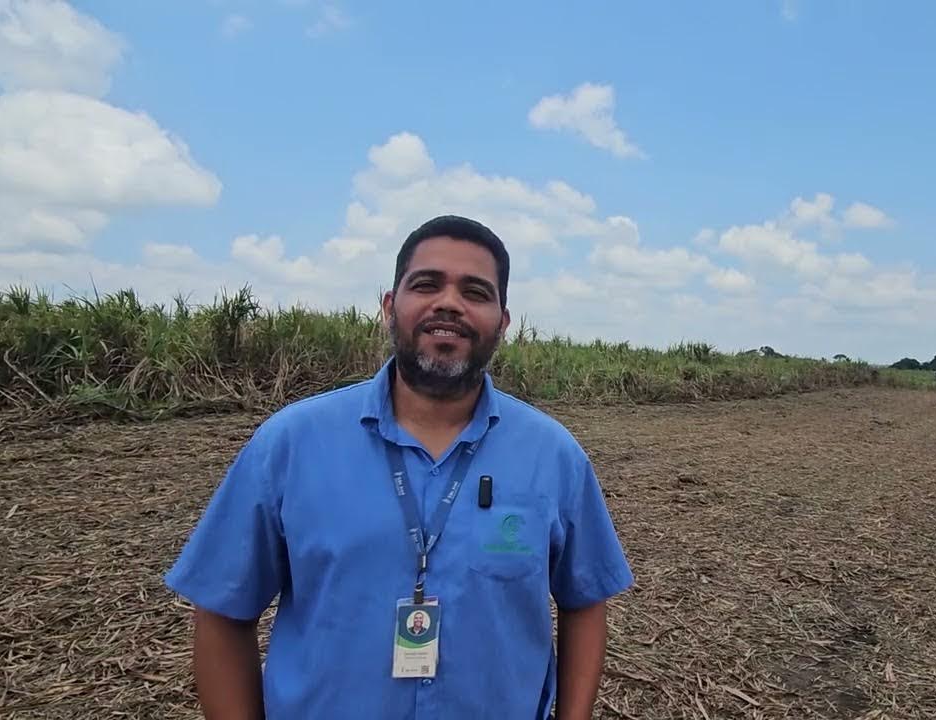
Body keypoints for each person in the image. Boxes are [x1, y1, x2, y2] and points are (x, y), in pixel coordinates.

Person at [163, 215, 634, 719]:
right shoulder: (290, 445)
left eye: (475, 292)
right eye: (426, 284)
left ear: (503, 322)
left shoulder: (553, 456)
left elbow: (584, 601)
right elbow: (221, 611)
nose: (449, 302)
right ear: (390, 306)